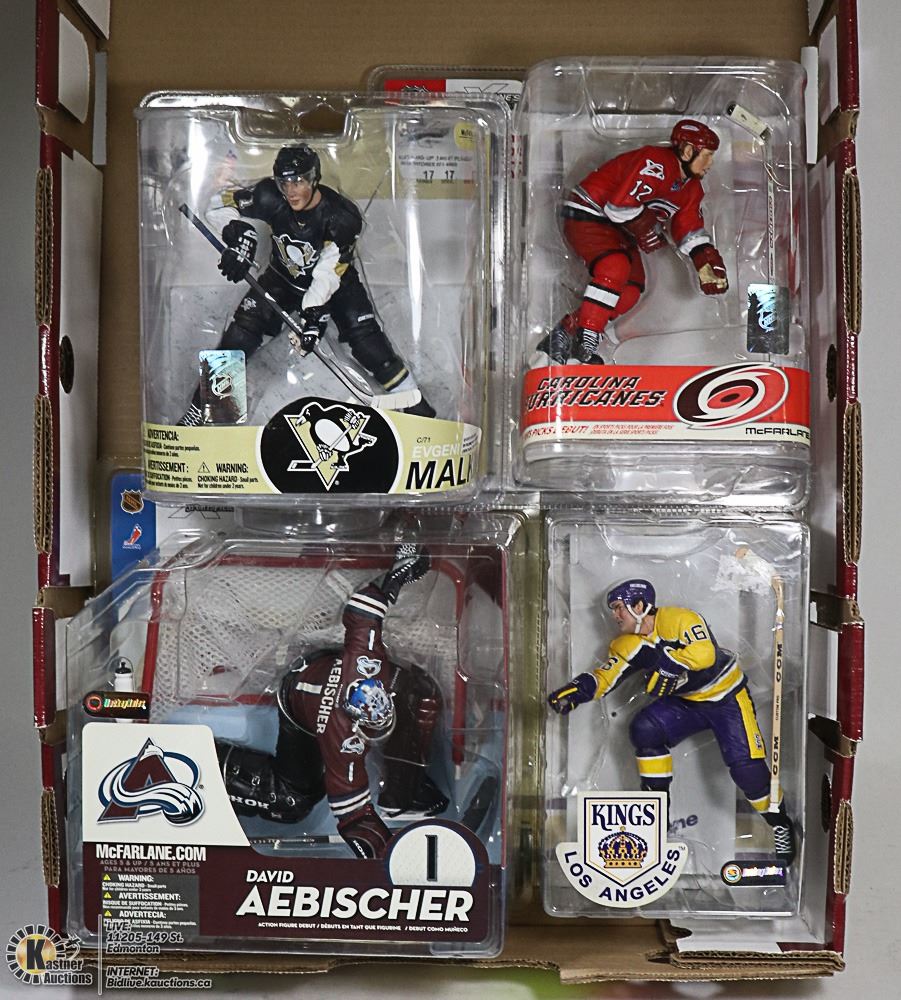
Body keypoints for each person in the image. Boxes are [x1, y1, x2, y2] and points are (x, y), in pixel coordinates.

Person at [216, 544, 448, 859]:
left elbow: (364, 609)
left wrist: (402, 569)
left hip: (324, 665)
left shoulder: (365, 666)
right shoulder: (343, 741)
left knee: (421, 693)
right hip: (297, 705)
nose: (381, 721)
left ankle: (404, 790)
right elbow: (354, 818)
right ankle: (208, 763)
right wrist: (388, 859)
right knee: (292, 800)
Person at [179, 144, 435, 424]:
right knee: (239, 337)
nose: (291, 190)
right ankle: (208, 416)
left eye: (298, 181)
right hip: (282, 279)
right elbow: (217, 203)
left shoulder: (340, 215)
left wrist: (313, 315)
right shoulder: (269, 196)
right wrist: (239, 234)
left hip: (337, 286)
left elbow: (328, 272)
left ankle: (418, 409)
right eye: (285, 182)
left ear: (314, 179)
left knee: (369, 345)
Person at [547, 578, 796, 863]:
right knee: (645, 730)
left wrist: (669, 664)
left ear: (639, 605)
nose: (615, 615)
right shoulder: (626, 645)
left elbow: (705, 654)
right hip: (687, 703)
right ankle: (657, 808)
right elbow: (606, 677)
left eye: (618, 607)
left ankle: (779, 822)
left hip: (726, 696)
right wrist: (577, 692)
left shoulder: (679, 619)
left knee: (746, 769)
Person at [536, 120, 729, 367]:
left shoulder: (691, 189)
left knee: (630, 291)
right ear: (687, 151)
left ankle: (565, 334)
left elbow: (687, 226)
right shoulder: (655, 162)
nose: (710, 163)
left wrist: (705, 258)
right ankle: (587, 342)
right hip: (589, 212)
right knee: (614, 266)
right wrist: (645, 225)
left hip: (619, 230)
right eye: (707, 155)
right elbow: (619, 206)